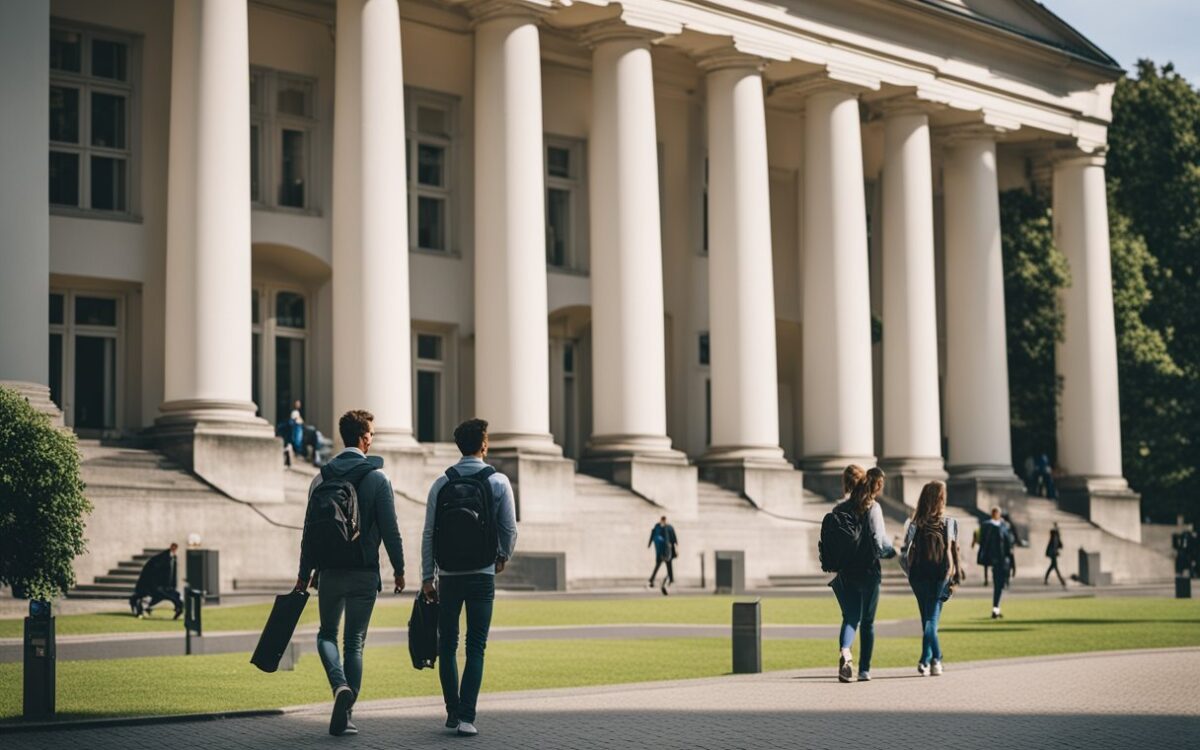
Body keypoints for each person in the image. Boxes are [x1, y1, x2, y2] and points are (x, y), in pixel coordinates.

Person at [295, 409, 406, 738]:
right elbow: (391, 530)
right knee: (354, 643)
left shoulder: (320, 478)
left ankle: (338, 684)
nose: (372, 438)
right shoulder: (378, 478)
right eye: (371, 433)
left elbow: (308, 533)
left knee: (326, 634)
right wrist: (399, 570)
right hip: (364, 571)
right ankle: (347, 715)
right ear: (364, 438)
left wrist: (304, 574)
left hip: (328, 571)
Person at [421, 418, 518, 738]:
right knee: (476, 646)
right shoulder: (499, 482)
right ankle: (467, 717)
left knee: (446, 645)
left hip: (448, 574)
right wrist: (502, 555)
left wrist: (427, 576)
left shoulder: (440, 483)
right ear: (484, 444)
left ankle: (451, 711)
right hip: (481, 572)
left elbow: (428, 533)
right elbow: (509, 528)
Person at [830, 466, 895, 683]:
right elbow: (879, 540)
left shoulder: (838, 509)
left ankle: (846, 654)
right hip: (868, 570)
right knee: (868, 622)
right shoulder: (872, 507)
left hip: (846, 571)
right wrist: (892, 551)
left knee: (850, 618)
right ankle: (864, 670)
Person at [901, 481, 960, 677]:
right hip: (940, 576)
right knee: (931, 621)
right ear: (941, 499)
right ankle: (935, 659)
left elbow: (904, 552)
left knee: (926, 620)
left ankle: (929, 660)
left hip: (918, 576)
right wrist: (953, 577)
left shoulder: (914, 523)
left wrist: (909, 573)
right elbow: (953, 552)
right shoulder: (949, 523)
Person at [977, 507, 1015, 619]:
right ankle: (996, 609)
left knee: (999, 585)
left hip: (1000, 560)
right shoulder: (993, 526)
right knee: (999, 585)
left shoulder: (1001, 526)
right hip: (998, 560)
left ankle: (996, 609)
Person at [128, 542, 182, 619]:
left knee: (170, 596)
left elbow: (172, 573)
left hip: (162, 585)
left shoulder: (171, 558)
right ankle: (143, 608)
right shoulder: (162, 558)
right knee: (163, 595)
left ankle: (146, 607)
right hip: (156, 584)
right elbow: (157, 570)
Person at [647, 516, 679, 595]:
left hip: (668, 551)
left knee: (669, 566)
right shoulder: (657, 527)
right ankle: (652, 580)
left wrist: (676, 549)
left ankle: (669, 580)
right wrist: (650, 543)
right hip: (661, 551)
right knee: (659, 565)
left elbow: (674, 539)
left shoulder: (669, 528)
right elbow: (653, 535)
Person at [1044, 523, 1066, 587]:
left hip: (1053, 553)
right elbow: (1054, 546)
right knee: (1055, 567)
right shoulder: (1055, 536)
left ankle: (1046, 579)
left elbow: (1059, 545)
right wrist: (1055, 552)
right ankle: (1062, 581)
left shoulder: (1056, 536)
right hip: (1053, 554)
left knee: (1052, 567)